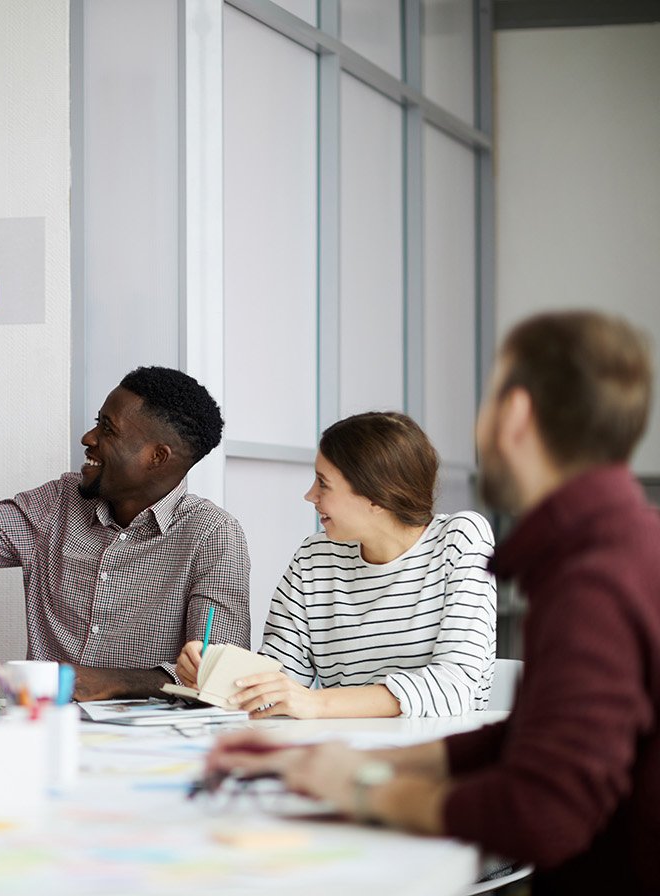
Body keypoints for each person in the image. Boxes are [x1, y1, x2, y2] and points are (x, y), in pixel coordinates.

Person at [205, 311, 660, 893]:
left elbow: (542, 812)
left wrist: (362, 788)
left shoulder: (594, 579)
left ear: (515, 414)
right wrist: (352, 764)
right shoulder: (619, 547)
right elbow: (525, 736)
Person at [0, 298, 251, 701]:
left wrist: (117, 681)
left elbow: (219, 673)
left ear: (157, 457)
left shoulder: (212, 536)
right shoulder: (60, 503)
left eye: (108, 429)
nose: (88, 438)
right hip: (44, 731)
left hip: (151, 748)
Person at [176, 412, 497, 719]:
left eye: (323, 483)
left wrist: (317, 703)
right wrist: (216, 674)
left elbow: (456, 686)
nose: (309, 495)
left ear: (377, 496)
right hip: (341, 752)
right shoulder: (314, 557)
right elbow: (280, 678)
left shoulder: (460, 538)